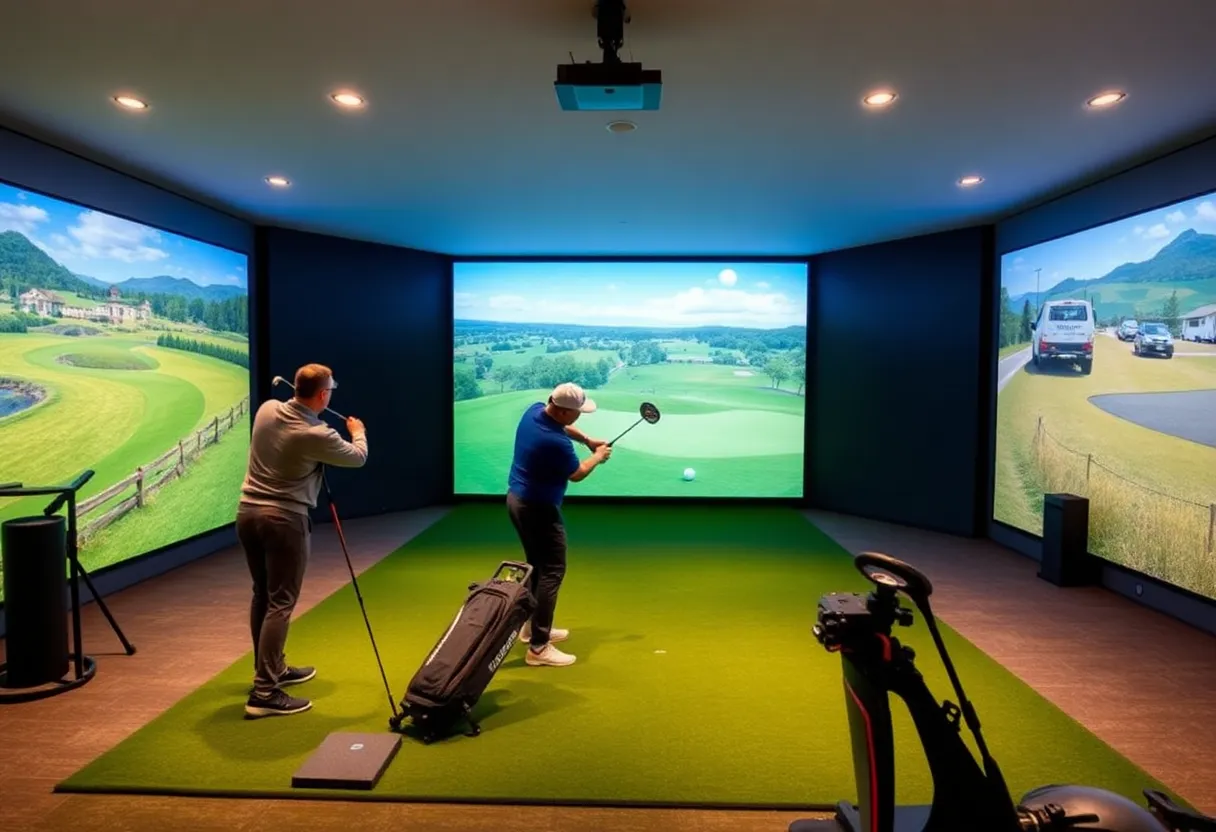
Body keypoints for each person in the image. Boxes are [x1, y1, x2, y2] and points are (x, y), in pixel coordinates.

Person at [237, 363, 368, 718]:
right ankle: (264, 692)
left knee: (263, 594)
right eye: (330, 391)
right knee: (281, 602)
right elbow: (358, 458)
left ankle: (273, 668)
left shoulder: (266, 409)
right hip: (283, 521)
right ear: (324, 395)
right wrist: (357, 432)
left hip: (247, 514)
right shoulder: (318, 434)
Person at [506, 381, 612, 667]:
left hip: (517, 499)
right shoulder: (554, 443)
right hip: (537, 509)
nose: (579, 417)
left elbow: (562, 428)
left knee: (537, 568)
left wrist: (587, 440)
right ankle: (539, 648)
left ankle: (531, 628)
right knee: (552, 571)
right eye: (577, 413)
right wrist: (597, 456)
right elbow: (576, 474)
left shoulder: (535, 410)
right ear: (564, 411)